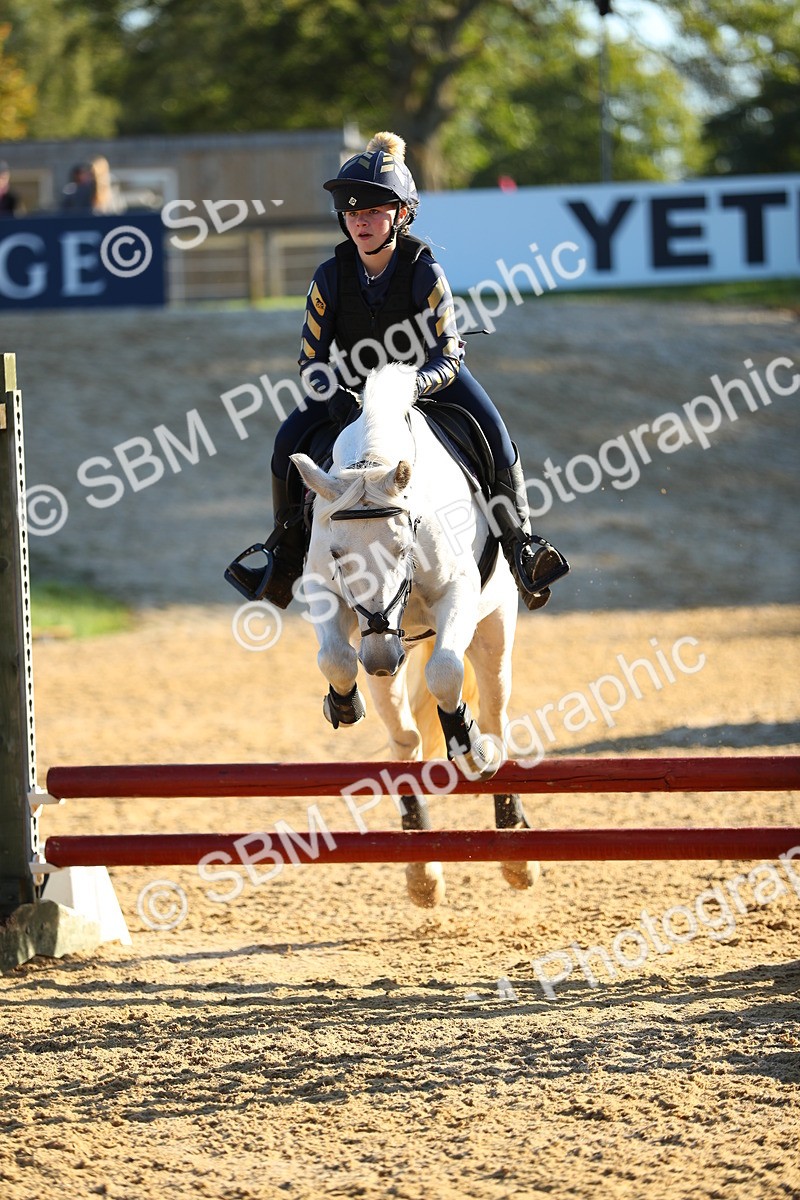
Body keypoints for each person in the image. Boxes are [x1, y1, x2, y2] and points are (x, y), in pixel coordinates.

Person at [226, 131, 568, 611]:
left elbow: (449, 355)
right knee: (287, 441)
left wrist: (406, 389)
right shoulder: (328, 276)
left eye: (371, 211)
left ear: (401, 215)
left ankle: (521, 545)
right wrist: (340, 401)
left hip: (431, 385)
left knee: (497, 435)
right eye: (351, 212)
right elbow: (311, 360)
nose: (360, 221)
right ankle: (282, 555)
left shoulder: (425, 272)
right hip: (350, 389)